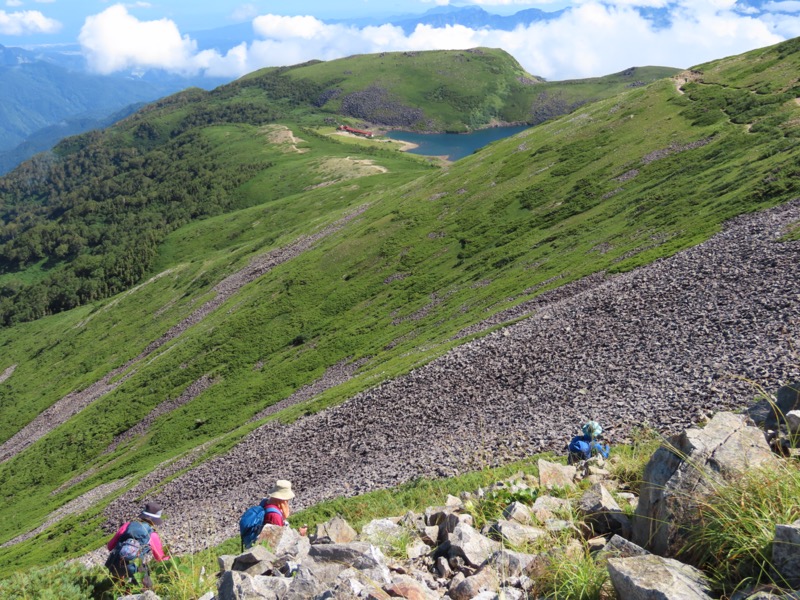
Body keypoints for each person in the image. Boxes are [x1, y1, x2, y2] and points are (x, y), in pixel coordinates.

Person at [105, 501, 170, 589]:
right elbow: (160, 558)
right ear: (154, 521)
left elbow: (110, 546)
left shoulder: (127, 526)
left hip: (114, 565)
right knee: (148, 589)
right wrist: (170, 559)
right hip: (134, 569)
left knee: (120, 589)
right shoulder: (152, 534)